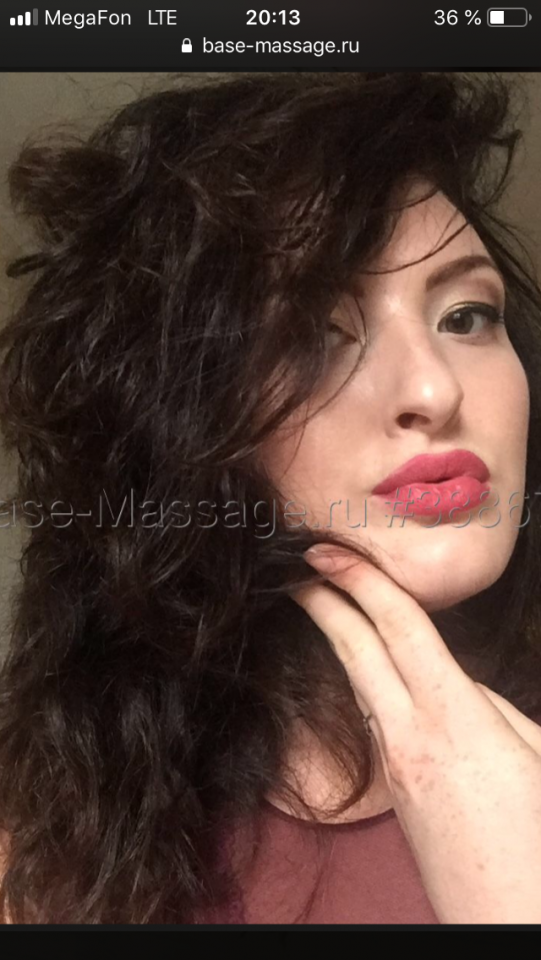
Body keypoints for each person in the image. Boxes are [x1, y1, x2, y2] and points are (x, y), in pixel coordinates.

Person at [0, 71, 541, 925]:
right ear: (178, 420)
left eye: (465, 316)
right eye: (309, 335)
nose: (434, 391)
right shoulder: (47, 821)